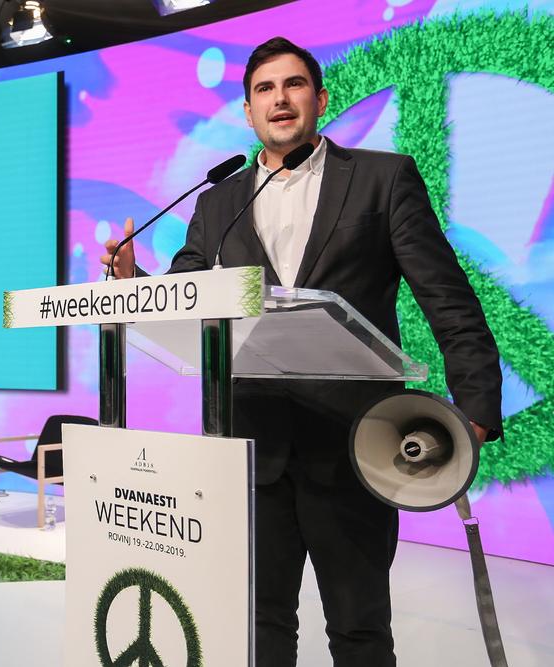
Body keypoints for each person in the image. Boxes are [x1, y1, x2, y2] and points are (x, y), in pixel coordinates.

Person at [100, 37, 502, 666]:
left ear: (320, 98)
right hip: (251, 447)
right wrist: (133, 283)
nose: (279, 99)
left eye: (293, 85)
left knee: (359, 629)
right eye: (264, 89)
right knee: (260, 626)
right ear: (248, 111)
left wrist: (474, 410)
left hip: (356, 444)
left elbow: (447, 300)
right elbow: (187, 297)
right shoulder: (218, 200)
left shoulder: (382, 179)